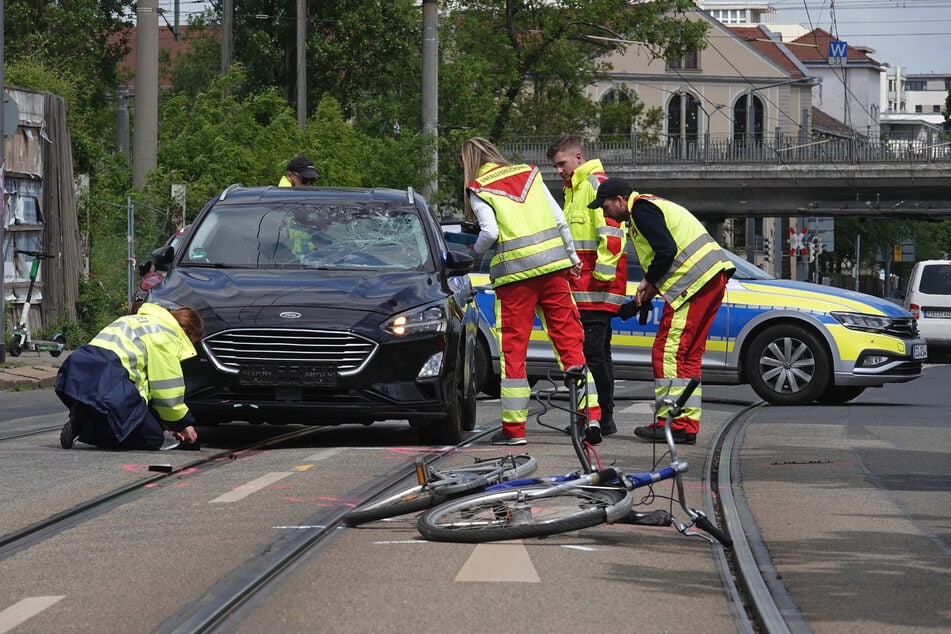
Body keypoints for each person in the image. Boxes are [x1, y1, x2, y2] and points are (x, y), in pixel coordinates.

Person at [458, 136, 602, 445]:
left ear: (468, 164)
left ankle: (515, 431)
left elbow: (490, 232)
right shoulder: (529, 173)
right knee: (570, 344)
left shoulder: (479, 187)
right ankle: (590, 417)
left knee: (514, 354)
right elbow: (560, 220)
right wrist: (573, 259)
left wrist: (474, 251)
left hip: (515, 282)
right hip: (553, 272)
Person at [588, 177, 734, 445]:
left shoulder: (642, 210)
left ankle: (671, 423)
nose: (604, 212)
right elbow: (668, 257)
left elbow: (666, 251)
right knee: (688, 356)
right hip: (709, 278)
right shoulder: (650, 207)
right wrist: (640, 300)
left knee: (668, 351)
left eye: (605, 206)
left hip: (695, 282)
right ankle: (686, 423)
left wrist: (648, 281)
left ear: (620, 201)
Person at [547, 136, 627, 436]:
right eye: (555, 166)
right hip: (587, 290)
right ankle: (601, 417)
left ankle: (597, 418)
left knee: (592, 355)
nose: (558, 171)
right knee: (599, 354)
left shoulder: (595, 185)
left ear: (578, 158)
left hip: (595, 290)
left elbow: (612, 234)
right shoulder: (574, 190)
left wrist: (602, 278)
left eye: (562, 164)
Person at [55, 303, 205, 451]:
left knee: (124, 415)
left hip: (78, 369)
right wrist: (181, 424)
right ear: (189, 334)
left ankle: (83, 417)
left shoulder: (134, 320)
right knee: (153, 438)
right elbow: (166, 390)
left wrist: (165, 423)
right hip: (111, 376)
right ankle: (87, 428)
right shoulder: (167, 336)